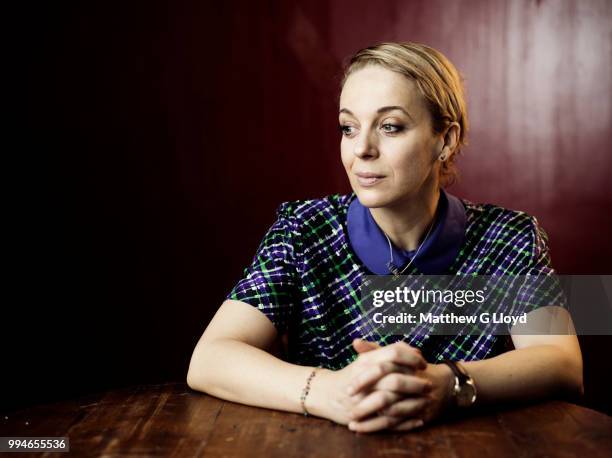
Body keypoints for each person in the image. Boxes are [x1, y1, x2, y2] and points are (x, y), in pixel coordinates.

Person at [186, 42, 583, 433]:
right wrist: (330, 391)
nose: (361, 149)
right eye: (348, 127)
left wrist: (446, 384)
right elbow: (210, 358)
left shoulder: (509, 237)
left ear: (445, 140)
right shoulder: (303, 229)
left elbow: (562, 363)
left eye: (390, 126)